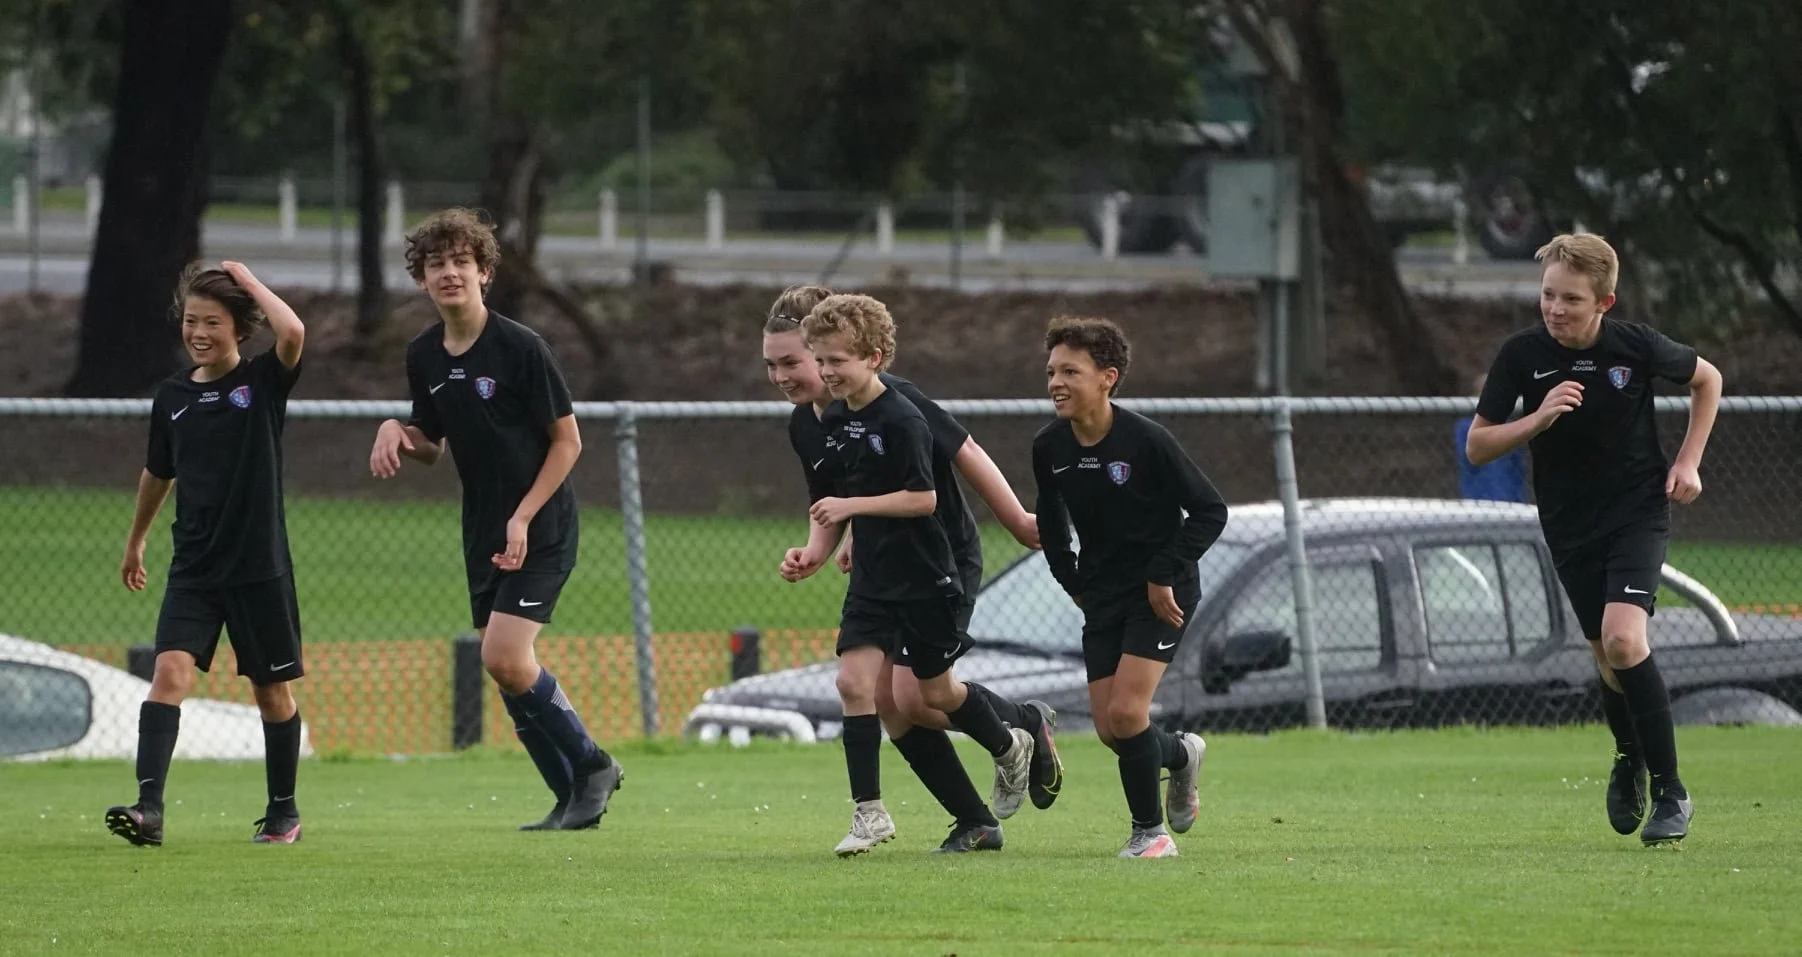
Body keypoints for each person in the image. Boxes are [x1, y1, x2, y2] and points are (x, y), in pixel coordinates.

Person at [764, 285, 1062, 851]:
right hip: (883, 563)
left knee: (915, 695)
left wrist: (1018, 520)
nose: (783, 375)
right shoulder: (807, 422)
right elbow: (831, 494)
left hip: (940, 556)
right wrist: (818, 548)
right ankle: (975, 820)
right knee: (885, 700)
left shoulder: (895, 401)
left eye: (793, 361)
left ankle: (1022, 724)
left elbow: (964, 451)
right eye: (772, 364)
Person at [368, 208, 621, 832]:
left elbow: (569, 443)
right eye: (436, 264)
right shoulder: (423, 353)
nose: (449, 273)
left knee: (507, 655)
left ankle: (593, 766)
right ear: (422, 279)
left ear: (485, 272)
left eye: (461, 262)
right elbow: (430, 443)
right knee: (501, 666)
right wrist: (395, 431)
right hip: (483, 527)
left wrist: (524, 517)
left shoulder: (522, 348)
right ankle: (568, 798)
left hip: (540, 522)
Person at [1467, 233, 1721, 846]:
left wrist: (1688, 463)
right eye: (1548, 296)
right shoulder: (1521, 355)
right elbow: (1478, 446)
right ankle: (1627, 755)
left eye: (1571, 300)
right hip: (1569, 524)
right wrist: (1538, 416)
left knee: (1623, 638)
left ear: (1604, 302)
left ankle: (1671, 792)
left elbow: (1707, 380)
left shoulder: (1634, 347)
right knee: (1607, 662)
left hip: (1636, 514)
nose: (1555, 309)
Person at [107, 261, 309, 847]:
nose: (198, 332)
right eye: (191, 321)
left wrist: (247, 282)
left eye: (212, 322)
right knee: (168, 673)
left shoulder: (264, 383)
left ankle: (283, 812)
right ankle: (148, 811)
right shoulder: (171, 396)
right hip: (194, 568)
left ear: (239, 328)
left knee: (271, 693)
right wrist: (136, 538)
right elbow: (158, 471)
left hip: (257, 569)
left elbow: (292, 333)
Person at [1032, 316, 1227, 859]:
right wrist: (1070, 578)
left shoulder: (1147, 441)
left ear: (1107, 378)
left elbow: (1210, 511)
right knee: (1111, 729)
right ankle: (1181, 755)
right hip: (1103, 595)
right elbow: (1051, 523)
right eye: (1051, 371)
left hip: (1161, 594)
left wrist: (1163, 573)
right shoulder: (1049, 446)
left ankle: (1151, 834)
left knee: (1126, 714)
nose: (1056, 383)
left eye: (1071, 371)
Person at [1454, 374, 1528, 503]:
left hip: (1511, 499)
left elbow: (1517, 465)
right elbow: (1470, 456)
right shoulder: (1465, 427)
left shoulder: (1511, 427)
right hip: (1479, 499)